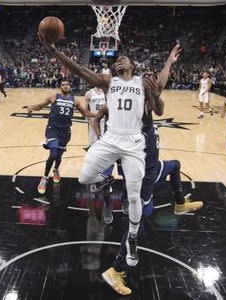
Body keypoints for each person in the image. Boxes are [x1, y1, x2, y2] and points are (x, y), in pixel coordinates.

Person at [39, 32, 163, 269]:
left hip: (134, 143)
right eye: (117, 59)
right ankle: (104, 182)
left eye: (123, 58)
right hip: (110, 138)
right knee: (84, 177)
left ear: (133, 66)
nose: (119, 60)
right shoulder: (109, 82)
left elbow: (158, 110)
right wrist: (53, 51)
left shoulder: (141, 82)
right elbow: (80, 71)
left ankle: (133, 238)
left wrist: (157, 91)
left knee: (135, 195)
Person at [102, 158, 204, 295]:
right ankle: (116, 269)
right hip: (145, 175)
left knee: (175, 165)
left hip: (149, 169)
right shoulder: (133, 139)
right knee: (137, 227)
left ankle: (180, 203)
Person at [27, 80, 95, 194]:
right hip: (52, 130)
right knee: (53, 154)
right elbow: (40, 106)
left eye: (67, 84)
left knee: (58, 156)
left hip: (65, 132)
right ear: (60, 87)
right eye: (63, 84)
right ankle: (44, 178)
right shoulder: (54, 97)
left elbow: (85, 113)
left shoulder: (75, 100)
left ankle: (56, 169)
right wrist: (31, 107)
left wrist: (99, 114)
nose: (65, 86)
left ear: (70, 87)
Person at [84, 85, 114, 224]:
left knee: (108, 163)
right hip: (95, 127)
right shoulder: (89, 93)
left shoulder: (110, 93)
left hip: (110, 129)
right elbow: (85, 111)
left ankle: (109, 204)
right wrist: (95, 118)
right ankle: (100, 182)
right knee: (95, 161)